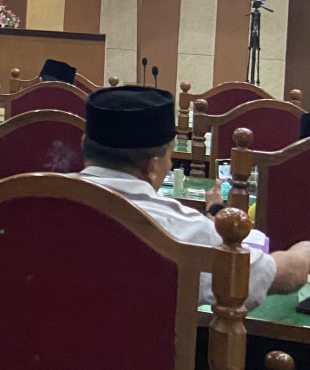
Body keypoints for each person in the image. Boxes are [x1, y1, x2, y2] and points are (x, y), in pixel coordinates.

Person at [79, 85, 310, 309]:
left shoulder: (44, 202)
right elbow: (285, 276)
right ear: (152, 166)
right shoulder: (180, 229)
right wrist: (304, 251)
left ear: (83, 146)